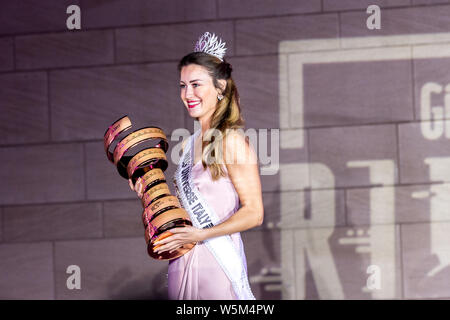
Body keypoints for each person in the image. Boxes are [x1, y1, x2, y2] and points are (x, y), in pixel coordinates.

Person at [129, 32, 264, 300]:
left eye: (196, 84)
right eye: (182, 85)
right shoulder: (186, 145)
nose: (187, 94)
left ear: (220, 87)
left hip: (216, 263)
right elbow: (184, 210)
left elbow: (254, 212)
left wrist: (202, 233)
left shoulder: (232, 142)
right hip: (183, 259)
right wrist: (146, 189)